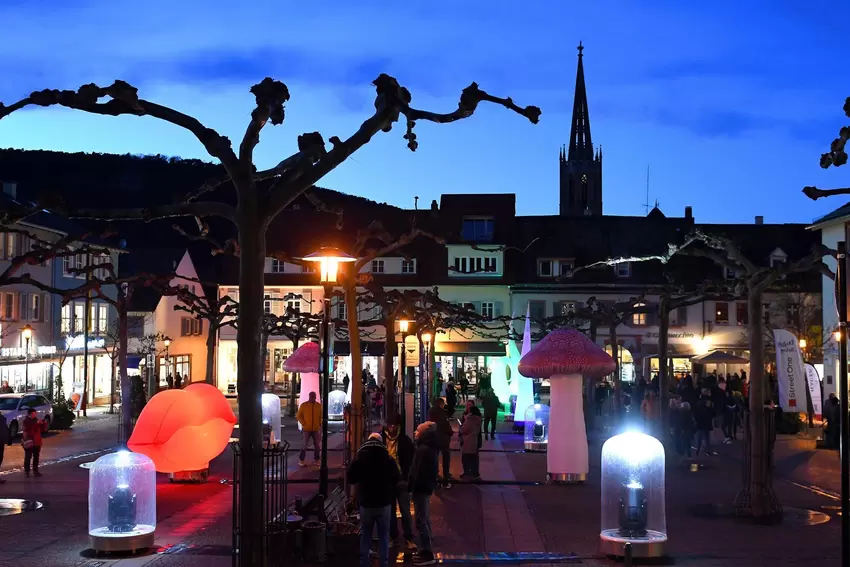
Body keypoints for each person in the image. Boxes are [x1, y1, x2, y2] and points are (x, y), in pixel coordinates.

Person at [347, 433, 400, 567]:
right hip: (384, 503)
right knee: (383, 536)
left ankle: (364, 563)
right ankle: (384, 563)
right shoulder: (387, 457)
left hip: (366, 503)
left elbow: (351, 478)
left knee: (366, 536)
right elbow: (397, 477)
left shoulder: (360, 456)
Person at [382, 414, 417, 551]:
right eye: (389, 424)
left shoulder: (404, 441)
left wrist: (407, 479)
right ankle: (393, 537)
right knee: (390, 511)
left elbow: (411, 461)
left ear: (398, 425)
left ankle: (408, 537)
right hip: (388, 481)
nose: (391, 427)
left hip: (401, 480)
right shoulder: (382, 439)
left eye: (393, 425)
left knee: (405, 511)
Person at [409, 422, 439, 565]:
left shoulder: (423, 449)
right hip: (425, 487)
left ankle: (427, 554)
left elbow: (418, 472)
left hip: (421, 488)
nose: (415, 433)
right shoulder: (429, 447)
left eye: (417, 431)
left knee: (421, 520)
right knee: (424, 518)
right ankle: (425, 549)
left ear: (423, 434)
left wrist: (411, 487)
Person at [427, 397, 454, 487]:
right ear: (441, 404)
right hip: (443, 439)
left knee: (435, 458)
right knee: (446, 459)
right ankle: (445, 479)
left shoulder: (430, 412)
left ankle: (435, 477)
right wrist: (450, 432)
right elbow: (445, 425)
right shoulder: (442, 413)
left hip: (434, 438)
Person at [296, 391, 322, 466]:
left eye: (313, 396)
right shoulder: (304, 405)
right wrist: (304, 423)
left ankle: (316, 459)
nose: (312, 398)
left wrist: (319, 423)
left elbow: (321, 416)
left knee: (317, 445)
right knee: (304, 445)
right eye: (311, 396)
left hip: (315, 428)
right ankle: (301, 460)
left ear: (315, 397)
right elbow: (298, 415)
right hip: (307, 428)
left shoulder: (318, 406)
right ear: (309, 396)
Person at [459, 406, 482, 481]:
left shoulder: (470, 419)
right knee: (473, 458)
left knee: (465, 458)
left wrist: (461, 426)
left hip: (468, 440)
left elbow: (463, 430)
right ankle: (474, 473)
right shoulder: (478, 419)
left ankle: (467, 473)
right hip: (474, 440)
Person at [22, 407, 46, 477]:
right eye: (34, 413)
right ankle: (27, 471)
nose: (35, 415)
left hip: (37, 441)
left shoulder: (36, 420)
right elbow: (28, 430)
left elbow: (42, 430)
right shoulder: (26, 421)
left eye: (35, 413)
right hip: (29, 441)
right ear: (30, 414)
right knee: (28, 457)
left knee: (36, 457)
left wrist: (43, 424)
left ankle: (36, 471)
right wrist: (36, 424)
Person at [693, 389, 714, 457]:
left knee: (700, 437)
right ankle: (707, 451)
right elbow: (712, 413)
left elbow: (696, 412)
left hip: (700, 422)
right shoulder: (708, 401)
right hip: (706, 422)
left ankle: (698, 451)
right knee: (706, 438)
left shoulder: (699, 402)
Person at [0, 412, 9, 483]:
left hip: (1, 441)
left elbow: (5, 428)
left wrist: (9, 438)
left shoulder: (2, 417)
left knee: (0, 458)